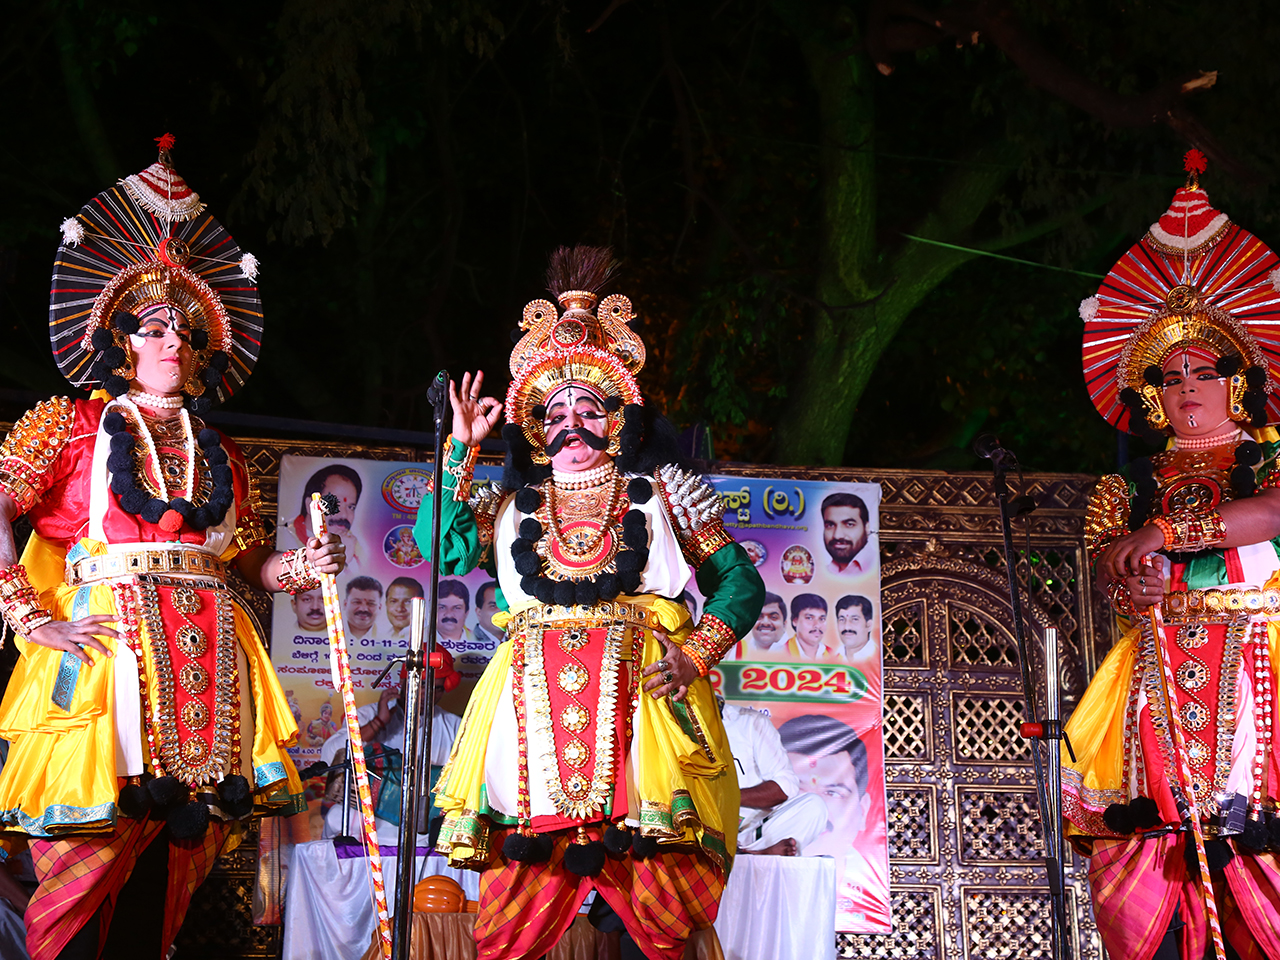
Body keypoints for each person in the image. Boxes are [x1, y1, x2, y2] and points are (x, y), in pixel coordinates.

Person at [0, 138, 346, 960]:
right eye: (155, 328)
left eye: (187, 331)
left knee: (169, 877)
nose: (173, 343)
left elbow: (254, 564)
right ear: (121, 341)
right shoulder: (71, 424)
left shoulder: (220, 452)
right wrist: (27, 615)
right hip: (107, 665)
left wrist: (307, 566)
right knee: (83, 862)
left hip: (208, 672)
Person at [418, 246, 765, 960]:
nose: (571, 423)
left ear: (617, 418)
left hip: (646, 719)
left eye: (588, 409)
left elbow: (740, 582)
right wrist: (461, 450)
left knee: (662, 896)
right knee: (513, 901)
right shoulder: (510, 505)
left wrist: (695, 655)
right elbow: (441, 549)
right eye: (554, 412)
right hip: (528, 718)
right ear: (535, 428)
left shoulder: (665, 494)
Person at [1069, 155, 1280, 960]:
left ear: (1239, 382)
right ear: (1152, 394)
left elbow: (1271, 516)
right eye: (1171, 374)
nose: (1188, 384)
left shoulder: (1269, 458)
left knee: (1256, 836)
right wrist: (1136, 578)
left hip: (1258, 662)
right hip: (1156, 671)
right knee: (1153, 844)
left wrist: (1163, 536)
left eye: (1205, 370)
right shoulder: (1128, 483)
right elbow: (1107, 567)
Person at [320, 654, 463, 842]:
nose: (427, 694)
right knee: (336, 818)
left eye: (436, 688)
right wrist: (379, 722)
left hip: (423, 822)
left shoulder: (454, 726)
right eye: (421, 685)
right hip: (372, 815)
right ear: (404, 682)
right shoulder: (370, 713)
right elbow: (330, 756)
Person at [779, 714, 885, 928]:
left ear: (863, 810)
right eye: (797, 789)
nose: (813, 808)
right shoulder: (738, 877)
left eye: (833, 793)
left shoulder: (869, 895)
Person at [718, 700, 825, 856]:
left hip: (749, 835)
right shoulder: (679, 729)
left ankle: (747, 851)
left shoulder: (749, 721)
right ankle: (750, 855)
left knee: (814, 807)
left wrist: (725, 797)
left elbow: (785, 787)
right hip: (696, 830)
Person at [290, 465, 365, 571]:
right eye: (335, 504)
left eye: (350, 507)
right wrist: (342, 562)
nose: (344, 515)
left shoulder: (356, 549)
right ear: (310, 505)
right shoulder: (288, 541)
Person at [821, 492, 872, 576]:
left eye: (849, 524)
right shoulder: (819, 573)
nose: (837, 535)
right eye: (830, 525)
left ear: (866, 528)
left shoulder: (876, 568)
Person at [730, 593, 788, 658]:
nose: (765, 622)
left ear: (784, 624)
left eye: (773, 617)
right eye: (759, 616)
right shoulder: (738, 651)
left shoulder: (795, 651)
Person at [787, 593, 834, 658]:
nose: (817, 625)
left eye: (822, 619)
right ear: (795, 621)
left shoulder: (835, 656)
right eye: (809, 618)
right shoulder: (779, 653)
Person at [834, 595, 875, 662]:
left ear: (869, 625)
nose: (847, 627)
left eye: (855, 619)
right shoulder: (830, 657)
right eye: (842, 620)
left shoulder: (878, 657)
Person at [343, 575, 383, 640]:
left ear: (379, 607)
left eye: (371, 603)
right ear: (345, 604)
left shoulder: (390, 639)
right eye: (357, 602)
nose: (363, 609)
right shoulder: (329, 633)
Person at [385, 576, 424, 640]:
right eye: (393, 601)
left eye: (408, 602)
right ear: (386, 604)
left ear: (421, 605)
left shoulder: (426, 638)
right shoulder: (382, 636)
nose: (399, 609)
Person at [473, 580, 503, 647]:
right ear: (479, 612)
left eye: (503, 606)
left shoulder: (516, 639)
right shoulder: (470, 639)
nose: (500, 611)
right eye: (493, 606)